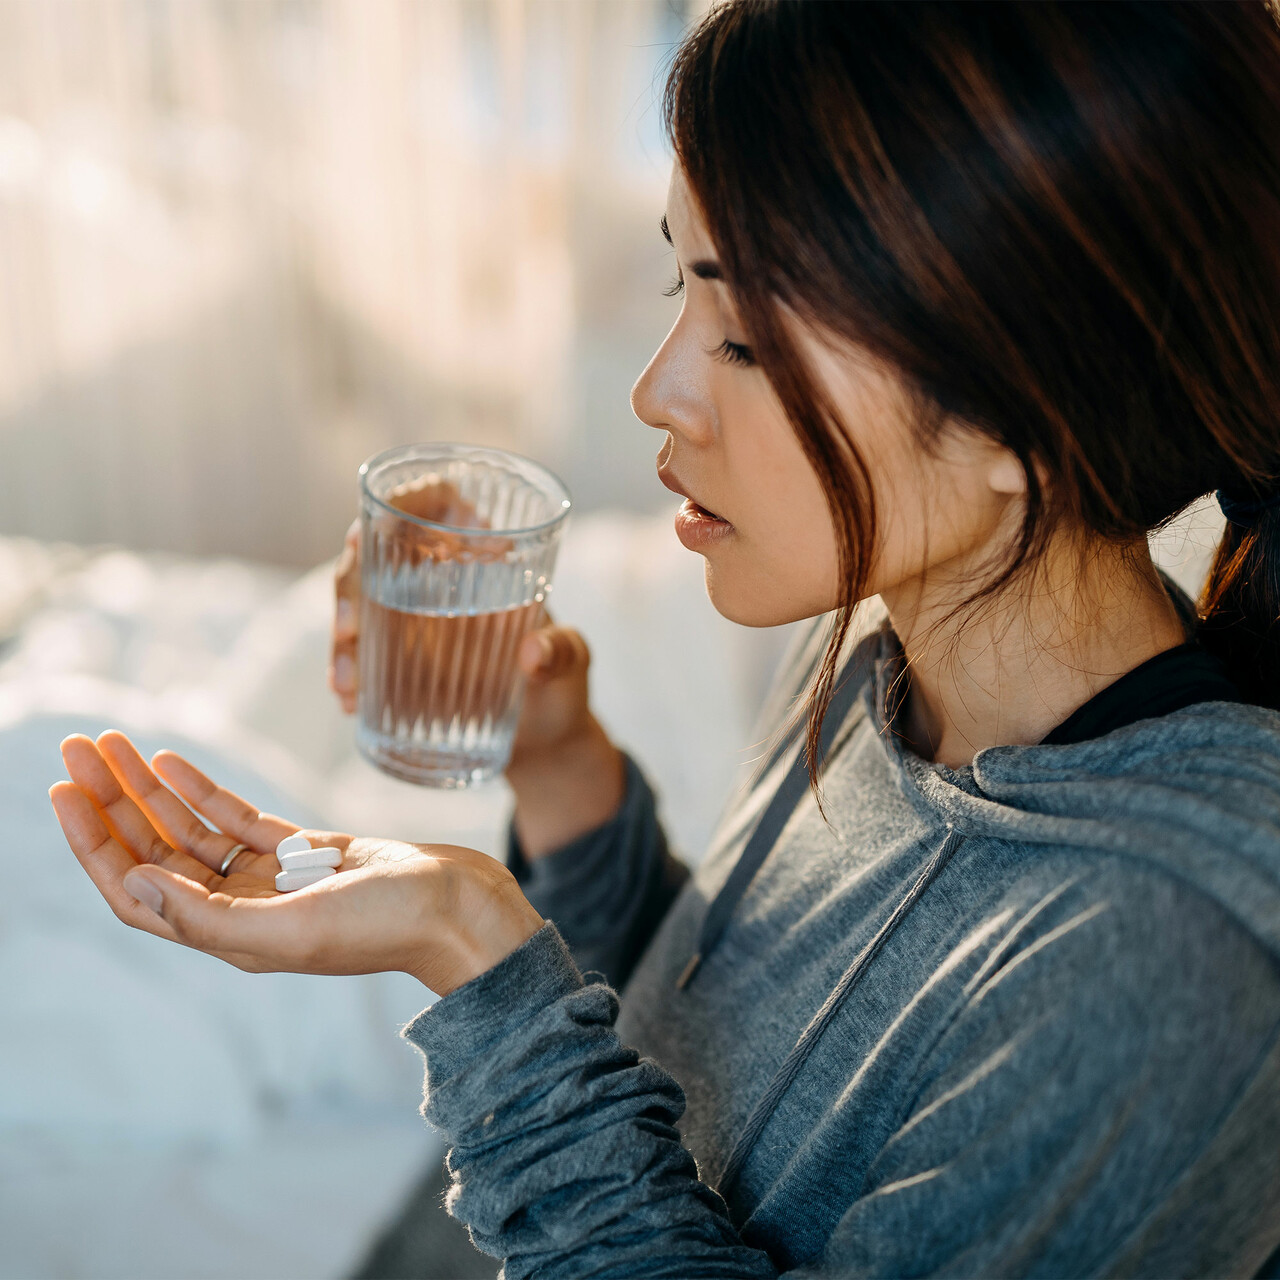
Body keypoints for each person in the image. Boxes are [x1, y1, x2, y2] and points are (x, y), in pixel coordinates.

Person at [49, 1, 1280, 1275]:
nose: (654, 392)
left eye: (741, 337)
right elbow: (705, 1057)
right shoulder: (885, 643)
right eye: (674, 286)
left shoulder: (1174, 953)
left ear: (1020, 419)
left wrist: (470, 946)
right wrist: (562, 768)